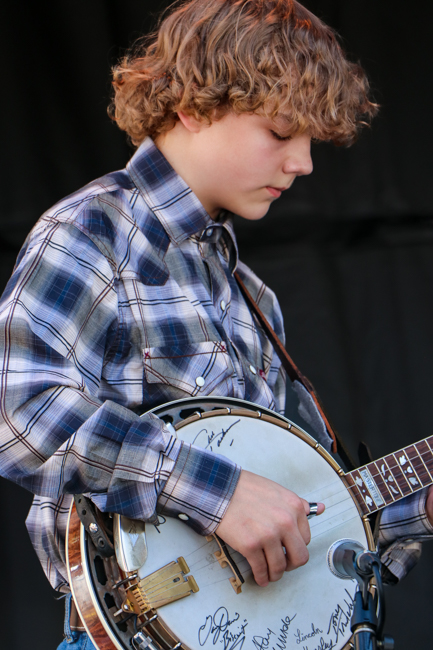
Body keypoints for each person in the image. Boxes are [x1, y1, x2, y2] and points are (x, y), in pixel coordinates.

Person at [1, 1, 432, 648]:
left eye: (309, 141)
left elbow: (295, 510)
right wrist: (216, 492)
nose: (303, 163)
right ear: (193, 107)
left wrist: (416, 508)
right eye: (280, 132)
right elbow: (19, 411)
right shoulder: (93, 233)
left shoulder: (249, 294)